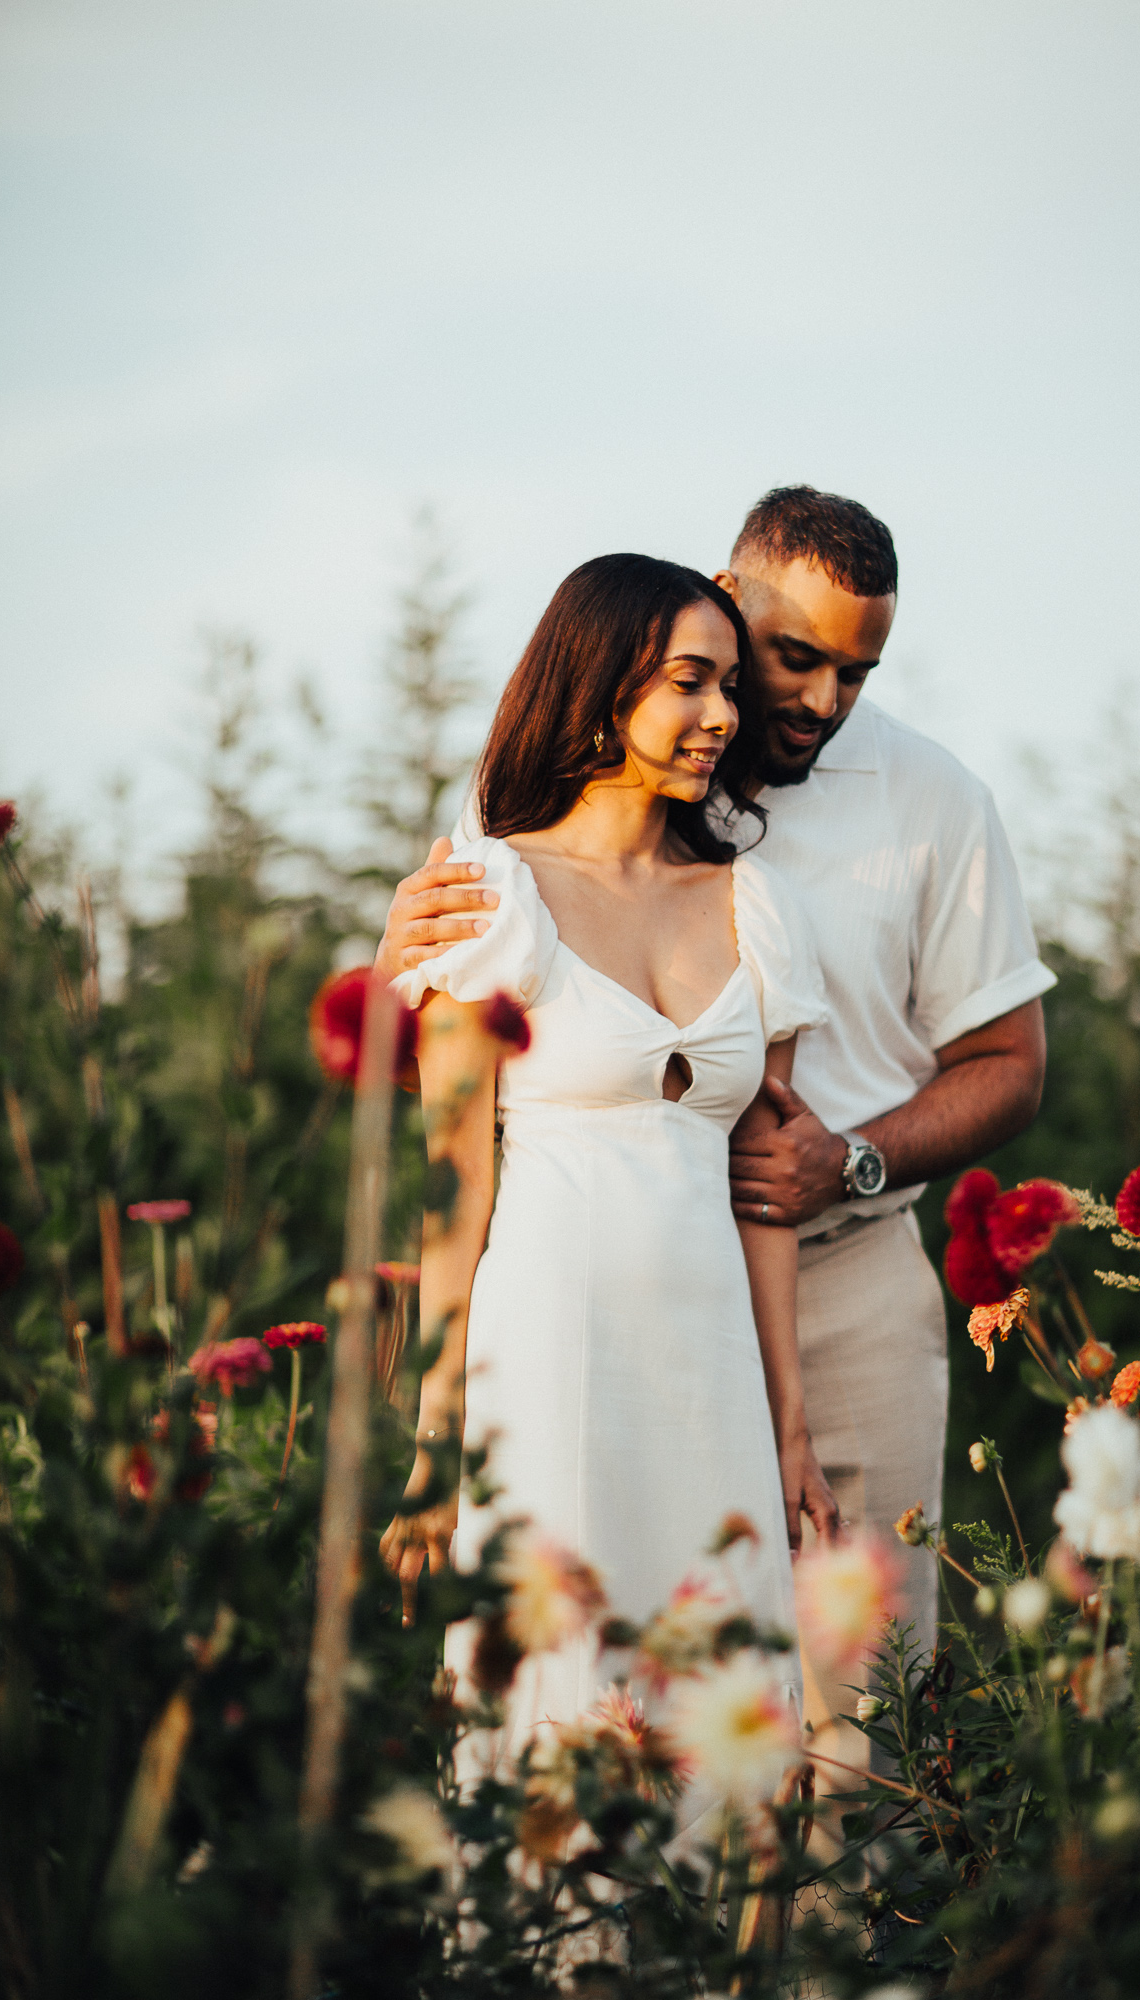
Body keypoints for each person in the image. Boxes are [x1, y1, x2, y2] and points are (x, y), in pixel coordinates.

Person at [376, 488, 1053, 1789]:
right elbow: (451, 1125)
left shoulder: (921, 803)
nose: (812, 700)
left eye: (858, 669)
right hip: (573, 1314)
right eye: (787, 660)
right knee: (575, 1713)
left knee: (850, 1719)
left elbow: (1011, 1067)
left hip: (830, 1277)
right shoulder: (517, 853)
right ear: (724, 605)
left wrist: (846, 1161)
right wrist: (392, 964)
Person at [379, 552, 840, 1785]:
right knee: (561, 1700)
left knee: (723, 1704)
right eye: (690, 680)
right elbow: (451, 1189)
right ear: (598, 684)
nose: (724, 716)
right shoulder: (488, 894)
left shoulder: (759, 906)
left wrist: (791, 1425)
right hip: (544, 1362)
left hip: (713, 1375)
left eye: (730, 685)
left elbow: (766, 1188)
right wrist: (436, 1443)